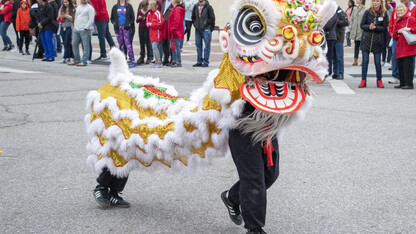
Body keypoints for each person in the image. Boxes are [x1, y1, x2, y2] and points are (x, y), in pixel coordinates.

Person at [358, 0, 388, 88]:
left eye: (377, 1)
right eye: (374, 1)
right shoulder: (367, 12)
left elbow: (384, 27)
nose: (375, 3)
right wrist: (368, 27)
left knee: (377, 62)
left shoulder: (384, 13)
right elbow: (362, 25)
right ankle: (363, 80)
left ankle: (379, 80)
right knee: (365, 61)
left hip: (377, 41)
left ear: (380, 2)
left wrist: (375, 28)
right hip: (366, 40)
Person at [388, 0, 416, 84]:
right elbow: (391, 24)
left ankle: (408, 79)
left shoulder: (413, 10)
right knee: (397, 58)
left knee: (409, 60)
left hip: (409, 40)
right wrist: (392, 33)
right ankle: (398, 77)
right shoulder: (396, 10)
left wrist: (410, 29)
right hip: (398, 39)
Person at [67, 0, 94, 66]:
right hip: (76, 29)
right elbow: (76, 17)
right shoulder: (78, 7)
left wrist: (86, 27)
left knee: (85, 46)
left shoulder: (90, 8)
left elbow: (91, 19)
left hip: (85, 30)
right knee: (74, 44)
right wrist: (75, 27)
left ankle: (84, 61)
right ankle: (76, 59)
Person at [110, 0, 136, 68]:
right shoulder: (115, 7)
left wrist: (129, 24)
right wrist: (114, 23)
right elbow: (112, 18)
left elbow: (132, 17)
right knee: (121, 45)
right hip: (118, 28)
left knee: (128, 44)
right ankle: (123, 60)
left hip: (126, 28)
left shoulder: (129, 7)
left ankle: (132, 60)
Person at [191, 0, 214, 67]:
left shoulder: (208, 7)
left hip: (206, 29)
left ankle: (206, 62)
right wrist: (195, 24)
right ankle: (199, 61)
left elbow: (212, 18)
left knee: (207, 46)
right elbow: (193, 17)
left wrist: (209, 27)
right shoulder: (195, 6)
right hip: (198, 29)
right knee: (198, 46)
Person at [147, 0, 165, 68]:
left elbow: (161, 24)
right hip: (151, 33)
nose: (148, 6)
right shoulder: (149, 13)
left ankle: (159, 61)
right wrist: (149, 25)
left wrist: (152, 25)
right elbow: (147, 22)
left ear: (152, 6)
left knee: (155, 47)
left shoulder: (158, 13)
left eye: (149, 5)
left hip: (157, 34)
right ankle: (156, 60)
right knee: (153, 47)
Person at [332, 6, 349, 80]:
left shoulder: (340, 11)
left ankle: (341, 73)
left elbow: (346, 22)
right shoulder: (330, 12)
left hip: (339, 37)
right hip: (332, 37)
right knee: (334, 57)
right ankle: (335, 73)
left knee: (339, 57)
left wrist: (337, 21)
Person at [167, 0, 184, 67]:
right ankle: (174, 60)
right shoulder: (175, 9)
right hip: (174, 31)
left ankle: (178, 61)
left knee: (176, 47)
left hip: (175, 32)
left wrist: (172, 29)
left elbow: (177, 21)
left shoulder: (177, 9)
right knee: (173, 47)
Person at [136, 0, 153, 64]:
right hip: (141, 28)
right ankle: (142, 57)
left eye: (145, 7)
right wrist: (139, 18)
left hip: (147, 28)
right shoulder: (139, 11)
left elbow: (150, 19)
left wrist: (145, 18)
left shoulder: (149, 12)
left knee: (148, 43)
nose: (144, 8)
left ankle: (149, 57)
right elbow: (137, 21)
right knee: (142, 43)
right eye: (143, 7)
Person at [350, 0, 366, 66]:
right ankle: (355, 60)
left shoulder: (365, 9)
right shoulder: (354, 9)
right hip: (355, 30)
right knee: (356, 46)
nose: (356, 0)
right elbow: (352, 18)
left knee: (363, 47)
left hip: (361, 31)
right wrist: (351, 26)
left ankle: (364, 60)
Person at [323, 11, 337, 77]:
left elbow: (328, 25)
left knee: (329, 55)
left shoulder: (333, 14)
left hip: (330, 37)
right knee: (324, 54)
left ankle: (329, 70)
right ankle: (325, 69)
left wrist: (322, 25)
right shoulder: (326, 14)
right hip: (325, 37)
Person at [161, 0, 172, 65]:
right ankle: (166, 59)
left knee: (170, 43)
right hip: (163, 25)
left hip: (169, 25)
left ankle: (172, 59)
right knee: (164, 43)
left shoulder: (173, 2)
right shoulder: (164, 2)